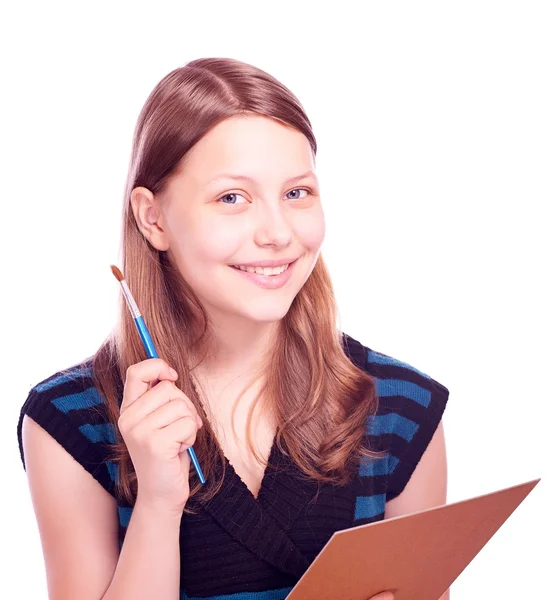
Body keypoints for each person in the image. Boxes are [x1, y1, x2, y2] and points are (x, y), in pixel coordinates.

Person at [17, 57, 450, 600]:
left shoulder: (400, 406)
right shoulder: (70, 421)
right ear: (153, 219)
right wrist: (156, 503)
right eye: (232, 198)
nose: (277, 233)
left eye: (297, 193)